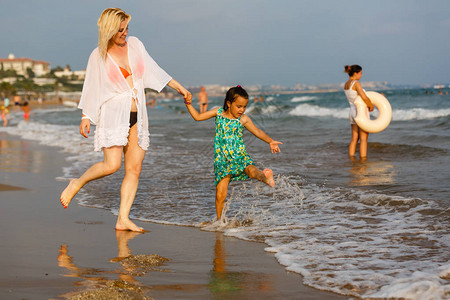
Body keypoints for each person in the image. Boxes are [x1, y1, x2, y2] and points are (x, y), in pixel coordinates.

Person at [59, 8, 192, 232]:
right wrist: (86, 116)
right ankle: (77, 183)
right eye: (120, 30)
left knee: (135, 169)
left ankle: (123, 219)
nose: (124, 33)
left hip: (138, 114)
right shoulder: (98, 55)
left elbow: (154, 70)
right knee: (112, 165)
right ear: (109, 30)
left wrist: (178, 86)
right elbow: (92, 87)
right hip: (113, 115)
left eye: (127, 28)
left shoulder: (136, 45)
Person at [184, 85, 282, 220]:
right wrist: (188, 104)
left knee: (251, 170)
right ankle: (220, 221)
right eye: (239, 106)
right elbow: (198, 117)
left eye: (244, 107)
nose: (242, 110)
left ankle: (266, 178)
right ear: (229, 103)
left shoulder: (243, 119)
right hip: (222, 161)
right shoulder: (218, 112)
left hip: (239, 156)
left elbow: (257, 132)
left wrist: (270, 141)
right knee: (220, 194)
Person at [344, 65, 374, 158]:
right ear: (356, 73)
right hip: (360, 111)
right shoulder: (356, 83)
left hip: (352, 111)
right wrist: (371, 105)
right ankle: (363, 161)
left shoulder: (347, 84)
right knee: (364, 139)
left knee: (354, 139)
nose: (361, 75)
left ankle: (351, 159)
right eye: (360, 73)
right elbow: (363, 97)